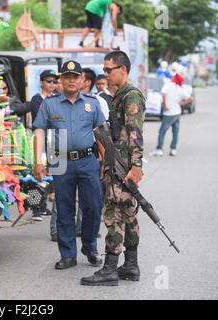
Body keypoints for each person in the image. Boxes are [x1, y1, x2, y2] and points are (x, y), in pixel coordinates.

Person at [80, 50, 146, 286]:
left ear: (123, 70)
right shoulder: (118, 97)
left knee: (113, 215)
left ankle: (110, 268)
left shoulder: (131, 96)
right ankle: (130, 266)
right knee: (128, 214)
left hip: (124, 168)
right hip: (118, 165)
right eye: (104, 69)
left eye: (109, 69)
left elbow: (135, 135)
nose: (105, 74)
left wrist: (136, 166)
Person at [33, 60, 105, 270]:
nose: (71, 80)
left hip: (87, 160)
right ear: (61, 80)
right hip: (59, 159)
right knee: (64, 208)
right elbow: (39, 131)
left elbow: (100, 131)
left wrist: (105, 159)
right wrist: (39, 161)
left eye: (76, 76)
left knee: (92, 205)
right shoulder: (49, 104)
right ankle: (68, 254)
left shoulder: (92, 103)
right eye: (67, 77)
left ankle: (90, 247)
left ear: (82, 79)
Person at [29, 70, 59, 221]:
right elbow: (41, 120)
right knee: (38, 174)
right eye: (49, 81)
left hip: (54, 140)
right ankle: (36, 209)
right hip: (40, 139)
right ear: (41, 82)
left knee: (53, 173)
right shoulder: (36, 99)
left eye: (54, 81)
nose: (52, 84)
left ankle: (44, 206)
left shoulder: (57, 98)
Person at [149, 73, 193, 157]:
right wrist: (181, 104)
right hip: (177, 112)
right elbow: (190, 99)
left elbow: (164, 94)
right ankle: (173, 149)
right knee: (175, 131)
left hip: (169, 113)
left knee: (162, 131)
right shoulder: (180, 88)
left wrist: (165, 105)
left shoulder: (167, 85)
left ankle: (159, 150)